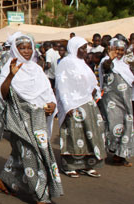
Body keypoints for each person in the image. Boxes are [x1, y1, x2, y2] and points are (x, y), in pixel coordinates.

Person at [0, 33, 63, 204]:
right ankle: (42, 196)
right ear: (15, 50)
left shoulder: (37, 69)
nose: (26, 51)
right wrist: (11, 75)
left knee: (23, 154)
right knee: (31, 153)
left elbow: (48, 92)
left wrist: (52, 105)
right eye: (21, 48)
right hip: (18, 121)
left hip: (38, 120)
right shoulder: (8, 67)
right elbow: (2, 94)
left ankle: (4, 182)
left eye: (28, 47)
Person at [55, 36, 107, 178]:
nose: (85, 51)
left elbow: (92, 82)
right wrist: (67, 106)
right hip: (73, 105)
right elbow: (61, 85)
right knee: (73, 134)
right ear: (74, 48)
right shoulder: (65, 63)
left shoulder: (82, 63)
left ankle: (88, 165)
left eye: (85, 48)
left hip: (88, 103)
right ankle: (69, 166)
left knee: (90, 134)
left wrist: (95, 89)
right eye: (82, 48)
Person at [100, 39, 134, 167]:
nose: (119, 52)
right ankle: (112, 150)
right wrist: (110, 58)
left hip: (125, 100)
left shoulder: (126, 64)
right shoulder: (107, 61)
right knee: (113, 125)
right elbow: (106, 67)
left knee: (127, 125)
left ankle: (121, 155)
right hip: (112, 101)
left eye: (121, 50)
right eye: (117, 49)